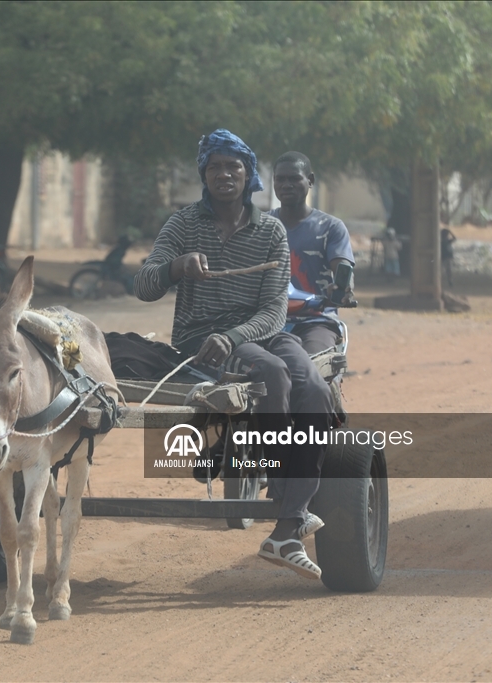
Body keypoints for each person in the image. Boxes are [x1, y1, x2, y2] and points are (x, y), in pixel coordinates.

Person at [134, 129, 332, 580]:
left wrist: (235, 334)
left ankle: (286, 526)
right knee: (272, 374)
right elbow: (144, 285)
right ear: (204, 175)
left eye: (233, 167)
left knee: (315, 389)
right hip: (199, 338)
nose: (224, 174)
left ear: (249, 175)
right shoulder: (183, 225)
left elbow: (274, 310)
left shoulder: (270, 231)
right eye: (215, 167)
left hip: (258, 333)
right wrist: (176, 266)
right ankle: (287, 507)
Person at [269, 151, 355, 355]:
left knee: (312, 370)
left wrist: (344, 289)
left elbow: (343, 268)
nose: (286, 185)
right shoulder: (262, 226)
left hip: (317, 320)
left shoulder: (330, 227)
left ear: (310, 181)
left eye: (294, 178)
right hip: (267, 322)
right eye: (280, 179)